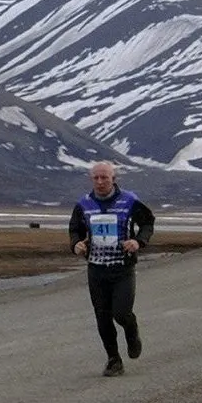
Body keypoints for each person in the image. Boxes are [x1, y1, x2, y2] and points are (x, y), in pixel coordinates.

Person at [69, 161, 155, 377]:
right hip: (96, 269)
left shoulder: (129, 201)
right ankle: (114, 360)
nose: (100, 182)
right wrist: (76, 244)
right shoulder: (83, 204)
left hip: (122, 268)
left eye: (104, 177)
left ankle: (132, 332)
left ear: (114, 179)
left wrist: (138, 241)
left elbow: (147, 223)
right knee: (102, 317)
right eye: (95, 178)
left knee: (121, 313)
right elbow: (75, 230)